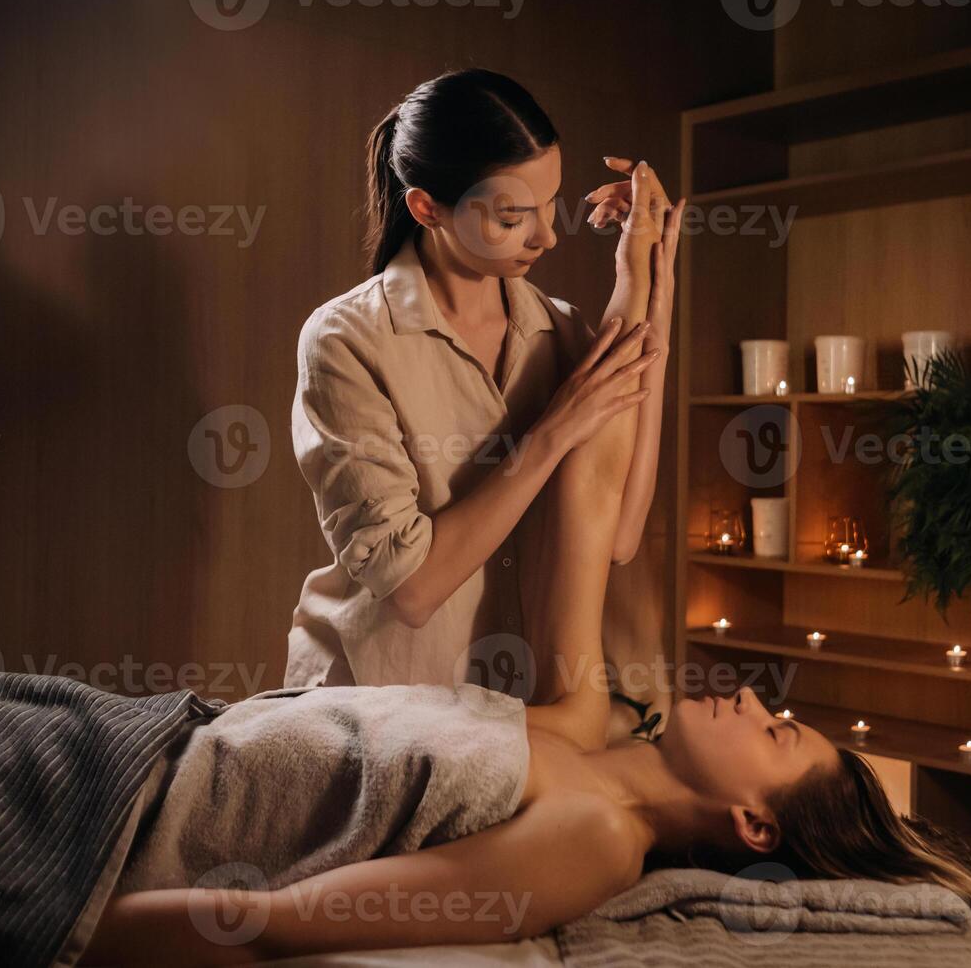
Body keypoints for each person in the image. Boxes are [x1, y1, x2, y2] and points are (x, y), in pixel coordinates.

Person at [84, 153, 971, 967]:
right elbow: (582, 503)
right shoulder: (594, 713)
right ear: (429, 206)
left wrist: (52, 939)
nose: (752, 696)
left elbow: (269, 923)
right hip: (192, 733)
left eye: (775, 730)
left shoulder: (593, 839)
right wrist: (643, 277)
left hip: (142, 805)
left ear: (753, 825)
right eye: (515, 210)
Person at [286, 68, 679, 696]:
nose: (547, 236)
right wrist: (551, 433)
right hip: (376, 708)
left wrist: (651, 280)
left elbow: (622, 535)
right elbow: (411, 589)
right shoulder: (346, 340)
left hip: (514, 712)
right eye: (513, 216)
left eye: (550, 204)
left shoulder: (562, 333)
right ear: (426, 207)